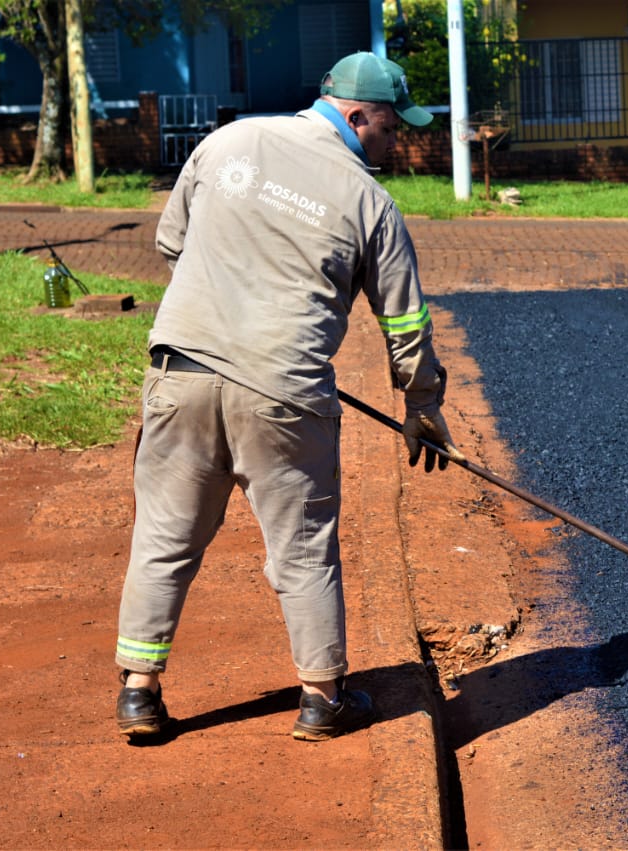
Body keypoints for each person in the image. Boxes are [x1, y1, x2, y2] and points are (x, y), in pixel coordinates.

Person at [113, 51, 465, 742]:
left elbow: (172, 242)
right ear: (357, 116)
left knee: (164, 534)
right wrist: (422, 406)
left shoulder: (229, 142)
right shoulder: (371, 203)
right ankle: (322, 697)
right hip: (283, 394)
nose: (399, 143)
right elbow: (404, 321)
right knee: (304, 549)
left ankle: (138, 689)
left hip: (179, 374)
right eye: (392, 128)